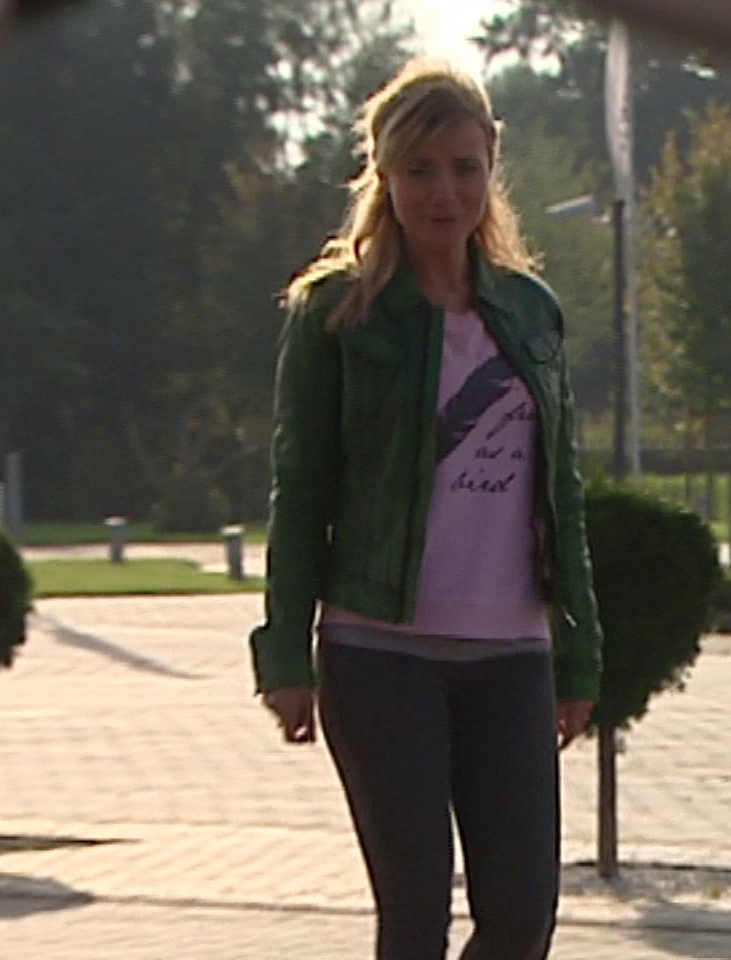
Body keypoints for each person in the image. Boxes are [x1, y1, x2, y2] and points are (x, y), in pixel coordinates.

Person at [249, 56, 603, 960]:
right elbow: (302, 490)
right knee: (415, 920)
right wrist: (284, 653)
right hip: (380, 654)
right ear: (385, 176)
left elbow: (561, 489)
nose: (444, 192)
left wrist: (581, 653)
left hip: (512, 656)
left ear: (491, 168)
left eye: (463, 167)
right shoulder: (337, 314)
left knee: (521, 920)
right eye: (420, 170)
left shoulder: (530, 313)